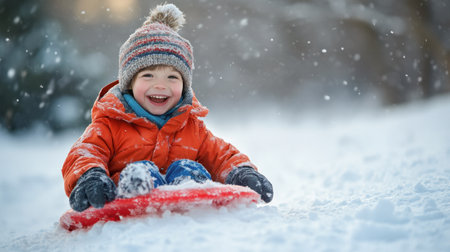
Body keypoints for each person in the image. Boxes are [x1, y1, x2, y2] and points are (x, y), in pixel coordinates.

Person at [62, 3, 273, 212]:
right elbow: (85, 153)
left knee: (189, 168)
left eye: (172, 77)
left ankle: (190, 187)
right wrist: (90, 176)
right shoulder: (110, 125)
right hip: (127, 206)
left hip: (186, 219)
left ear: (184, 86)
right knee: (139, 171)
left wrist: (241, 172)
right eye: (148, 75)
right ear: (130, 83)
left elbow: (221, 155)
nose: (160, 85)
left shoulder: (191, 127)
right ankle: (137, 185)